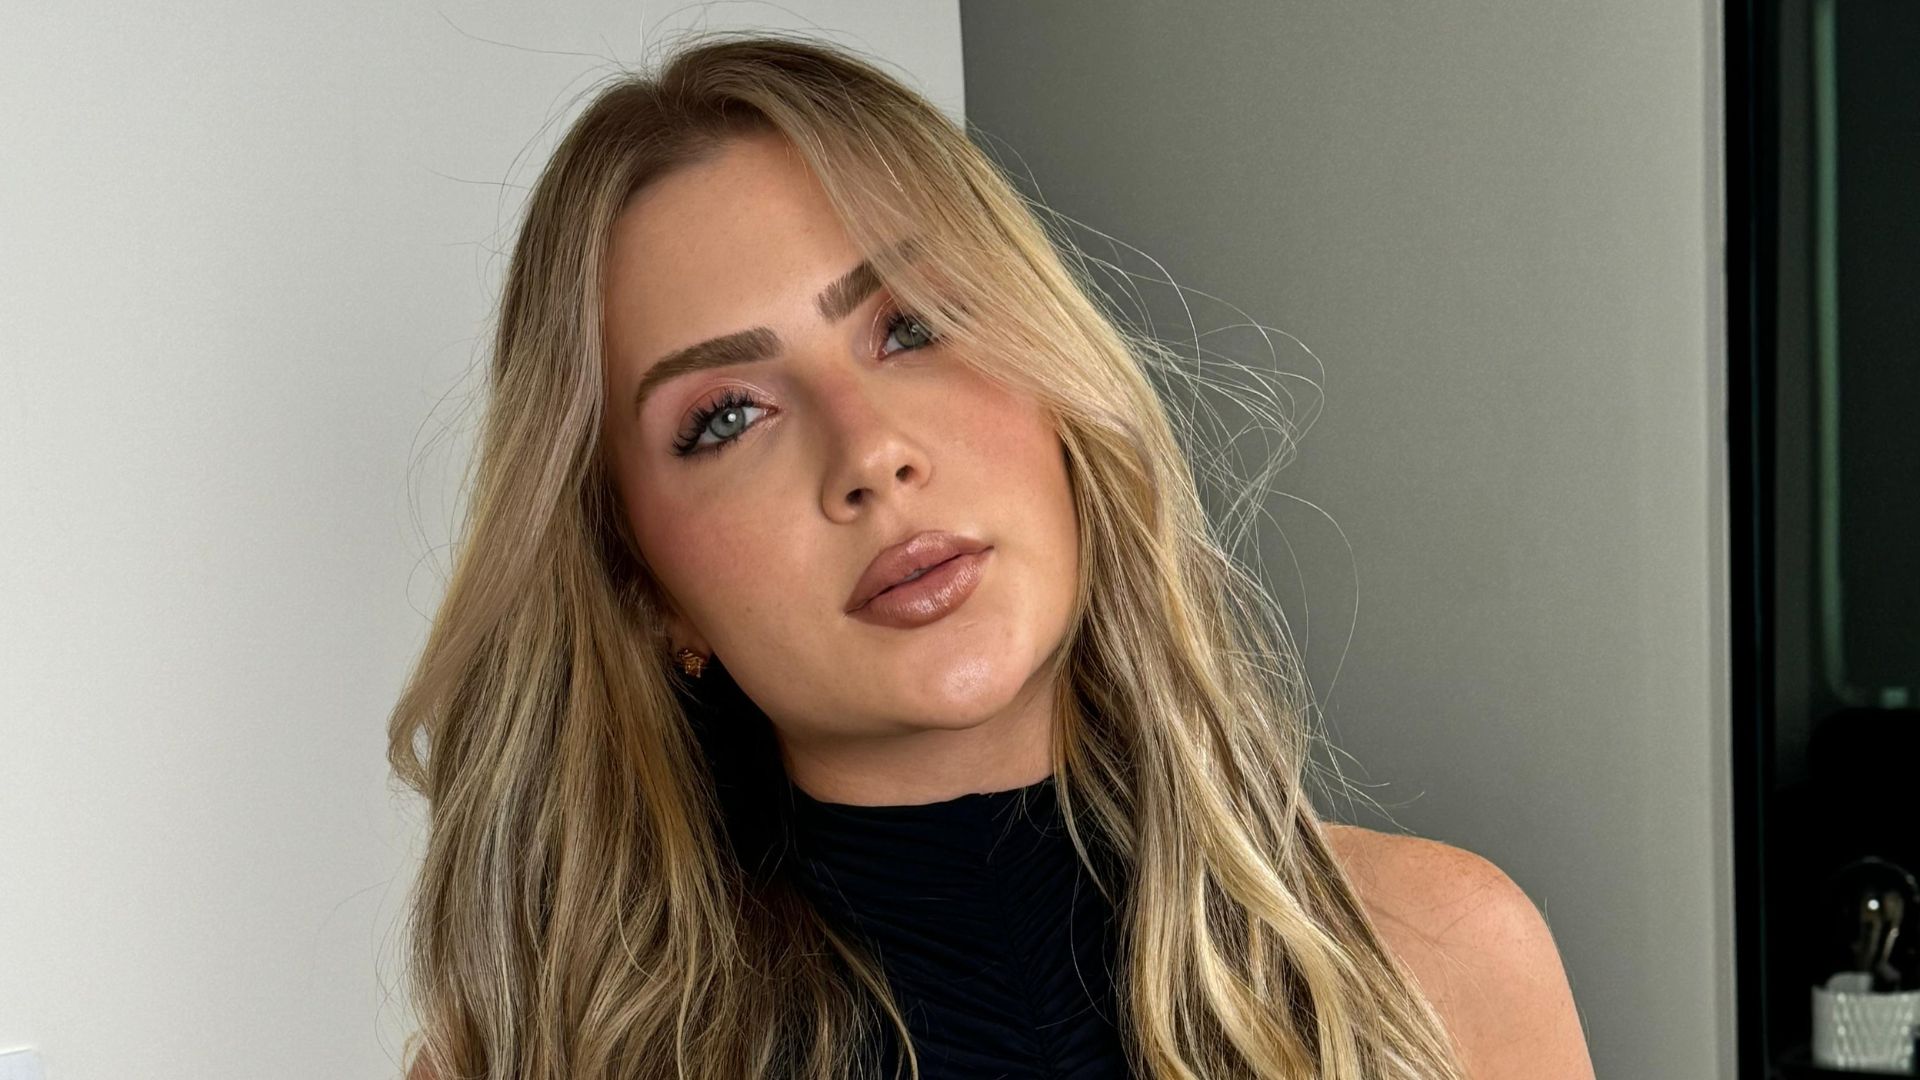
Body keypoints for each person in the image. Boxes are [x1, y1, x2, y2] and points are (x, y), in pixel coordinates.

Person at [387, 29, 1595, 1080]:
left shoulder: (1440, 964)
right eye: (727, 416)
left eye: (911, 325)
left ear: (1057, 381)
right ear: (645, 591)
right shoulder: (534, 1061)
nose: (871, 453)